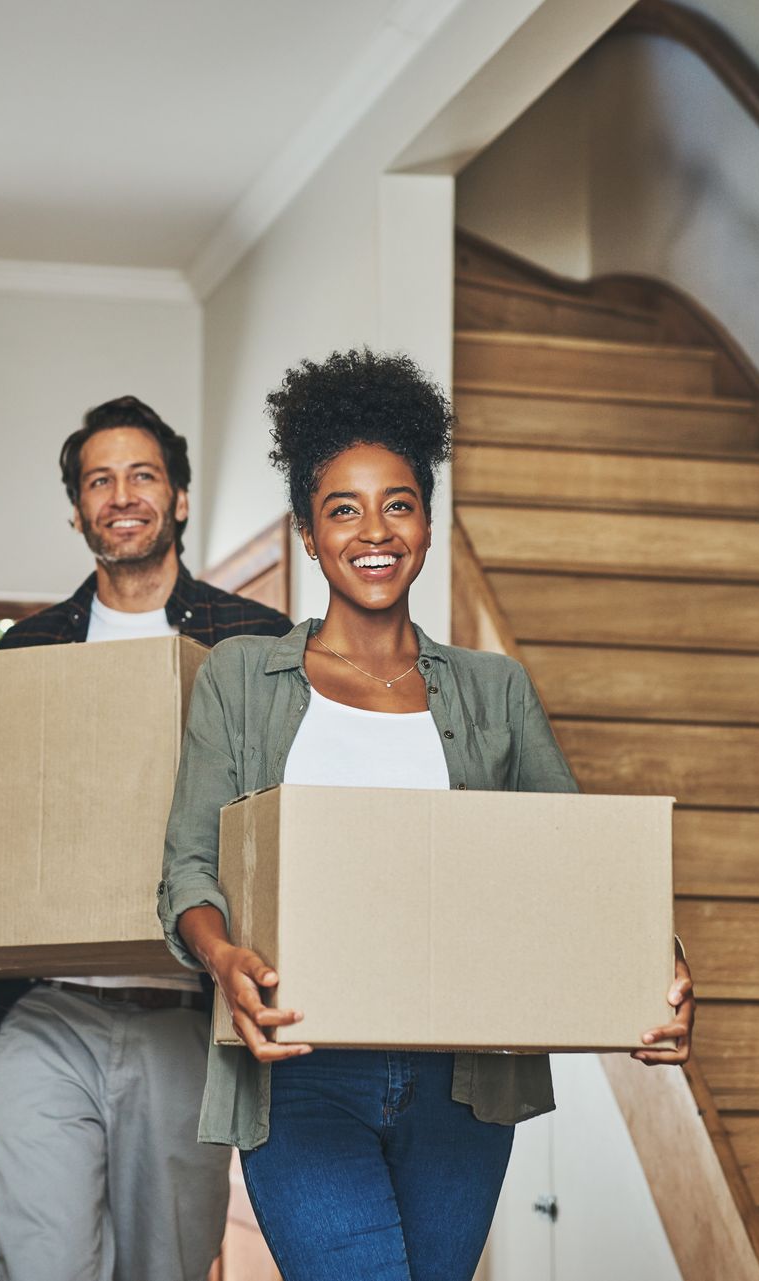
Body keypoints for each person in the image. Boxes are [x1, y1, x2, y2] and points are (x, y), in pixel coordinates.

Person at [157, 350, 695, 1281]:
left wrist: (658, 961)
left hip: (466, 1080)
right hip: (300, 1068)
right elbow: (189, 868)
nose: (375, 530)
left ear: (429, 522)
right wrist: (223, 955)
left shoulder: (496, 691)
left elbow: (576, 865)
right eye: (344, 508)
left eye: (398, 503)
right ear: (308, 534)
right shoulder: (242, 680)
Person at [0, 394, 293, 1281]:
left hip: (181, 1014)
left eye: (141, 475)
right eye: (99, 480)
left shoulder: (256, 643)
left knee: (166, 1268)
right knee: (42, 1262)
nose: (121, 495)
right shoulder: (28, 648)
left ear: (181, 498)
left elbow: (283, 824)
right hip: (44, 1014)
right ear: (77, 509)